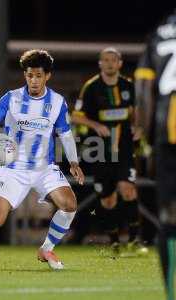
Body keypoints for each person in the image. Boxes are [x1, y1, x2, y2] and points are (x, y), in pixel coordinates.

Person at [0, 49, 85, 270]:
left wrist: (74, 162)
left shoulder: (57, 102)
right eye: (29, 75)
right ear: (25, 75)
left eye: (38, 75)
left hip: (44, 168)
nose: (33, 80)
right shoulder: (12, 98)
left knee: (69, 204)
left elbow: (65, 134)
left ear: (47, 75)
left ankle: (47, 249)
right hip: (13, 169)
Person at [71, 47, 148, 255]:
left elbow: (139, 111)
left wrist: (139, 126)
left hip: (124, 148)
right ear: (100, 64)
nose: (110, 63)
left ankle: (133, 239)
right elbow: (76, 116)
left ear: (120, 63)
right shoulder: (91, 87)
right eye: (106, 60)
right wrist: (96, 126)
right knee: (108, 199)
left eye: (114, 60)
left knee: (128, 189)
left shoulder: (128, 86)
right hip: (101, 150)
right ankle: (114, 241)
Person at [135, 10, 176, 299]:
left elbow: (143, 90)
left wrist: (147, 142)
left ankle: (172, 291)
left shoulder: (158, 34)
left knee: (169, 217)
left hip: (167, 132)